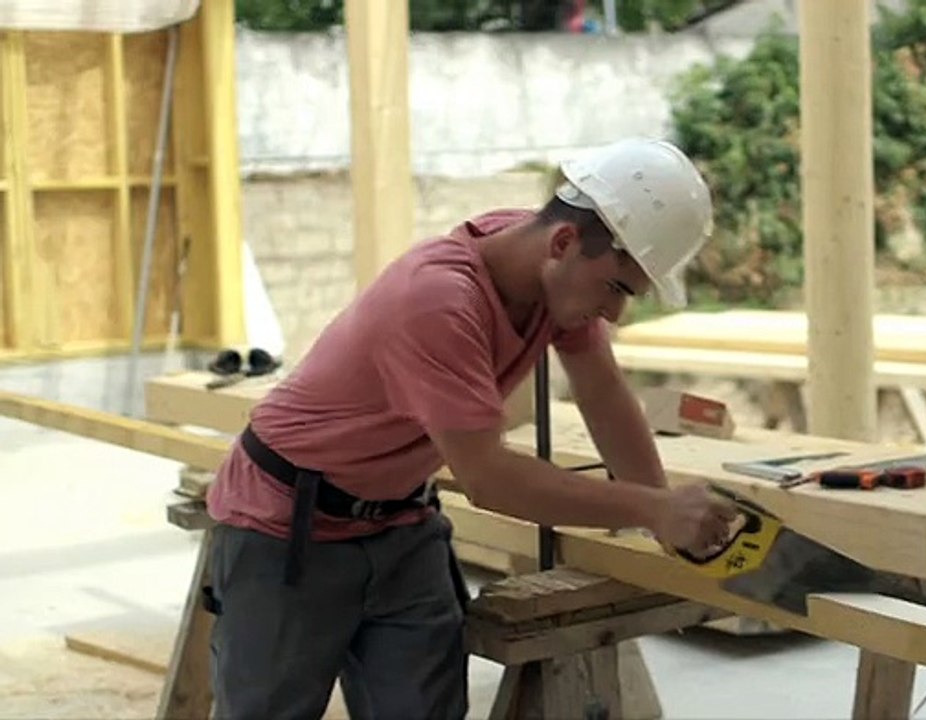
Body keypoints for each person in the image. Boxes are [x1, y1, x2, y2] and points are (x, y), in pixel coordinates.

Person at [201, 137, 739, 720]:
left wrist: (665, 515)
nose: (615, 314)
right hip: (287, 529)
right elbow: (489, 479)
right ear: (563, 243)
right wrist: (651, 510)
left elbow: (602, 390)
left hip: (401, 523)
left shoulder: (542, 267)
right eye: (617, 289)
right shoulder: (438, 300)